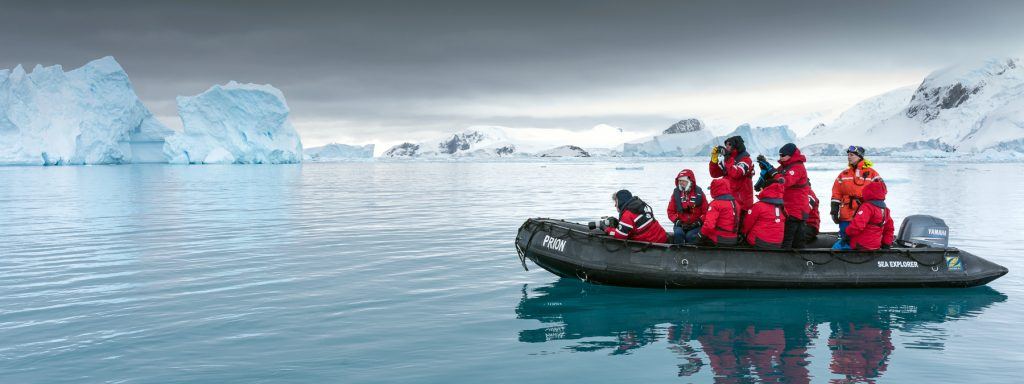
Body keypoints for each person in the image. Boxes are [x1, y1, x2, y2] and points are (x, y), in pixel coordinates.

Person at [830, 146, 882, 249]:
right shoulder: (843, 174)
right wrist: (834, 210)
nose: (849, 157)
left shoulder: (872, 173)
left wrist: (874, 209)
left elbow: (881, 192)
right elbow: (836, 193)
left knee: (860, 240)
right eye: (848, 155)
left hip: (864, 214)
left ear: (859, 156)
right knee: (845, 238)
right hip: (846, 213)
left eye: (852, 155)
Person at [776, 143, 811, 249]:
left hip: (795, 210)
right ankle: (798, 261)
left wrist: (774, 174)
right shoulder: (785, 167)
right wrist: (768, 170)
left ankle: (786, 262)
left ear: (790, 155)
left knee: (788, 239)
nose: (780, 157)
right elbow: (778, 177)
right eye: (780, 155)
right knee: (796, 239)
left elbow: (785, 181)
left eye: (783, 155)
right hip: (790, 208)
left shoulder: (797, 167)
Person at [841, 181, 894, 250]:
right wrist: (886, 244)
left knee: (837, 247)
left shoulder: (867, 207)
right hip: (875, 246)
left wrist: (847, 234)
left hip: (860, 245)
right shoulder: (886, 210)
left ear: (867, 192)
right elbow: (889, 229)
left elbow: (857, 226)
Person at [709, 136, 754, 212]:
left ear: (736, 145)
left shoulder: (746, 160)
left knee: (741, 223)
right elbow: (714, 173)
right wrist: (714, 160)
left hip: (742, 203)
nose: (726, 147)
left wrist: (727, 157)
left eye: (729, 144)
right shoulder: (727, 159)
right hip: (728, 199)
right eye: (726, 145)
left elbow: (736, 173)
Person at [741, 180, 786, 249]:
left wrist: (742, 233)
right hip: (777, 244)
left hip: (760, 242)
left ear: (766, 189)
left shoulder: (758, 206)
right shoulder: (782, 207)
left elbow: (747, 224)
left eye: (761, 189)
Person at [667, 169, 708, 244]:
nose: (681, 182)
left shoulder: (700, 194)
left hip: (695, 225)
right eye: (679, 180)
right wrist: (677, 221)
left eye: (683, 180)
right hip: (680, 224)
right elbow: (670, 211)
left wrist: (698, 222)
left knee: (690, 236)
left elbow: (706, 212)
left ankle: (693, 254)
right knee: (679, 234)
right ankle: (678, 253)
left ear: (690, 181)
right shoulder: (675, 195)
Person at [697, 178, 739, 245]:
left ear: (715, 189)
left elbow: (709, 226)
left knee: (692, 236)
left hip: (719, 238)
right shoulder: (735, 203)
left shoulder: (715, 204)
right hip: (733, 238)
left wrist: (700, 235)